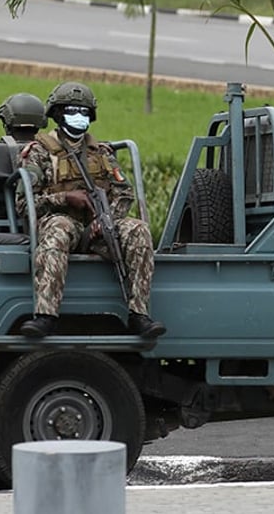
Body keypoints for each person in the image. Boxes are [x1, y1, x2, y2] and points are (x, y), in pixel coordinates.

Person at [16, 82, 165, 339]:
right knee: (59, 229)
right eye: (72, 111)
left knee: (138, 229)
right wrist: (65, 198)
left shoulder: (103, 153)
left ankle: (139, 314)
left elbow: (124, 194)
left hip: (100, 227)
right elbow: (24, 203)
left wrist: (107, 219)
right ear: (58, 113)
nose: (79, 117)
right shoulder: (40, 152)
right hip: (62, 221)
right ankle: (45, 316)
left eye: (84, 112)